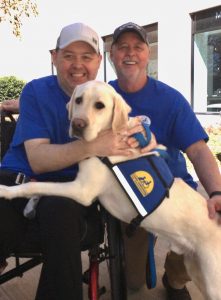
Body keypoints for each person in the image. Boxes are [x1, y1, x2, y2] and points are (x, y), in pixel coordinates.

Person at [0, 22, 154, 300]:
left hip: (68, 193)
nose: (77, 65)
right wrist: (94, 145)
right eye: (69, 55)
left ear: (98, 61)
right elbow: (37, 161)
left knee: (62, 214)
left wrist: (142, 139)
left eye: (86, 57)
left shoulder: (107, 98)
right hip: (17, 180)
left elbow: (133, 134)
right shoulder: (35, 91)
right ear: (54, 57)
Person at [109, 22, 221, 300]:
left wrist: (217, 192)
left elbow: (198, 151)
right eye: (122, 47)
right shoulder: (102, 96)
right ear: (111, 54)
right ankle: (139, 258)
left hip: (174, 191)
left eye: (138, 47)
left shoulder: (170, 99)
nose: (130, 53)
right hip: (131, 195)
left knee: (204, 240)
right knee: (133, 283)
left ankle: (174, 277)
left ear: (148, 54)